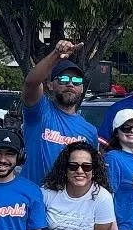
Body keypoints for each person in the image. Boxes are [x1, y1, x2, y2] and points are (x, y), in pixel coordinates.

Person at [21, 39, 99, 186]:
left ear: (82, 88)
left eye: (76, 80)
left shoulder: (90, 131)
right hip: (34, 200)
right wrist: (56, 54)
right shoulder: (40, 111)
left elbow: (90, 172)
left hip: (68, 205)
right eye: (63, 79)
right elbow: (31, 83)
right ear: (50, 85)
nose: (70, 84)